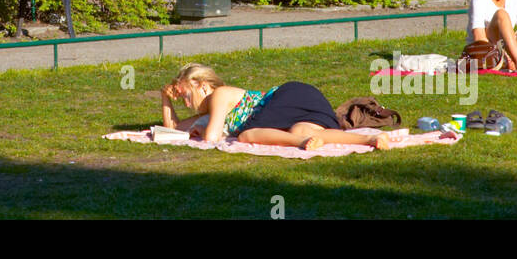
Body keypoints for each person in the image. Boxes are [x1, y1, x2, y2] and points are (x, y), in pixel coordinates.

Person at [159, 63, 391, 151]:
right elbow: (173, 129)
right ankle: (369, 140)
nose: (184, 100)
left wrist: (205, 131)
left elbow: (211, 138)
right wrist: (165, 98)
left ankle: (302, 143)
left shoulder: (219, 94)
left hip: (284, 99)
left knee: (247, 135)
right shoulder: (208, 112)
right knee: (304, 132)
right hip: (296, 100)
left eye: (184, 93)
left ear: (200, 85)